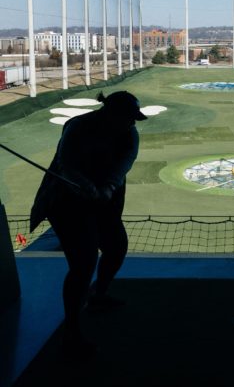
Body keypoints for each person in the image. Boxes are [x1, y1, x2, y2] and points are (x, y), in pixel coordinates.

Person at [30, 90, 147, 358]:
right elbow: (66, 163)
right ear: (111, 113)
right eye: (128, 117)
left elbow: (124, 164)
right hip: (65, 200)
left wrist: (106, 187)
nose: (132, 123)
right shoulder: (78, 126)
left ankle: (98, 296)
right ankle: (71, 332)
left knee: (117, 247)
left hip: (105, 198)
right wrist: (86, 187)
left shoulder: (129, 133)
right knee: (83, 262)